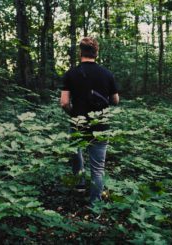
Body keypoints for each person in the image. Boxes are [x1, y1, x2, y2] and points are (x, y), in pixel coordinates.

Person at [60, 37, 119, 205]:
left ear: (80, 52)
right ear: (96, 53)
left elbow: (64, 102)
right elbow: (115, 100)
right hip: (100, 126)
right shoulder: (107, 74)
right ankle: (95, 203)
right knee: (98, 167)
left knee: (76, 153)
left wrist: (73, 113)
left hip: (78, 123)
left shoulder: (71, 73)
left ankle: (79, 185)